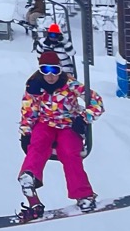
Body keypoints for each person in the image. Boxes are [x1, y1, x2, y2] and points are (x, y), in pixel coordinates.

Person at [17, 49, 105, 220]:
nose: (50, 76)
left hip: (68, 124)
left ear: (60, 70)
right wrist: (26, 132)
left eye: (55, 70)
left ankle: (83, 195)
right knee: (37, 143)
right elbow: (28, 110)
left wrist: (84, 118)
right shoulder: (35, 86)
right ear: (40, 71)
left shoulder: (71, 84)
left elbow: (97, 102)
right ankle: (30, 176)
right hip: (45, 123)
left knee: (69, 152)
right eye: (45, 70)